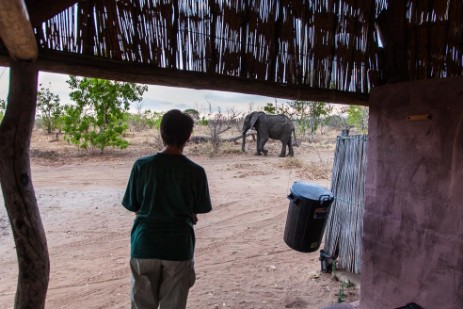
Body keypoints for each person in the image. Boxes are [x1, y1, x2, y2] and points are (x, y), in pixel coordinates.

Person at [122, 109, 212, 308]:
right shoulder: (196, 172)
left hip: (144, 244)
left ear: (161, 132)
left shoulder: (141, 166)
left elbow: (134, 206)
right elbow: (197, 210)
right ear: (188, 136)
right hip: (178, 247)